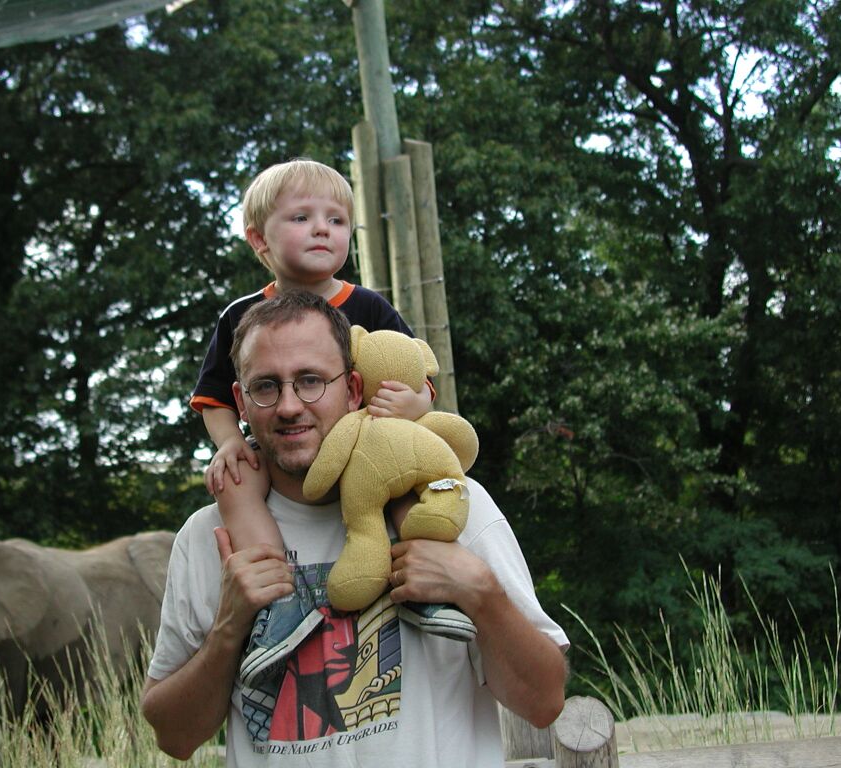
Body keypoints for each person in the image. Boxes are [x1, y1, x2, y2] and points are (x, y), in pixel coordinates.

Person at [141, 291, 568, 766]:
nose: (289, 405)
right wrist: (228, 628)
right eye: (266, 386)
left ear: (352, 389)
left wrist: (481, 592)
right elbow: (174, 737)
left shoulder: (449, 502)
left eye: (311, 380)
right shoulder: (207, 537)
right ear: (240, 401)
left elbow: (543, 703)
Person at [191, 159, 461, 668]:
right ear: (259, 239)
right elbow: (215, 398)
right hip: (286, 448)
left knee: (402, 478)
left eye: (336, 220)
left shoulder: (370, 307)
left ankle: (424, 586)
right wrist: (229, 442)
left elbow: (419, 373)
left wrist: (413, 403)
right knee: (233, 482)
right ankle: (279, 602)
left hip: (368, 444)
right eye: (302, 218)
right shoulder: (241, 317)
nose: (322, 229)